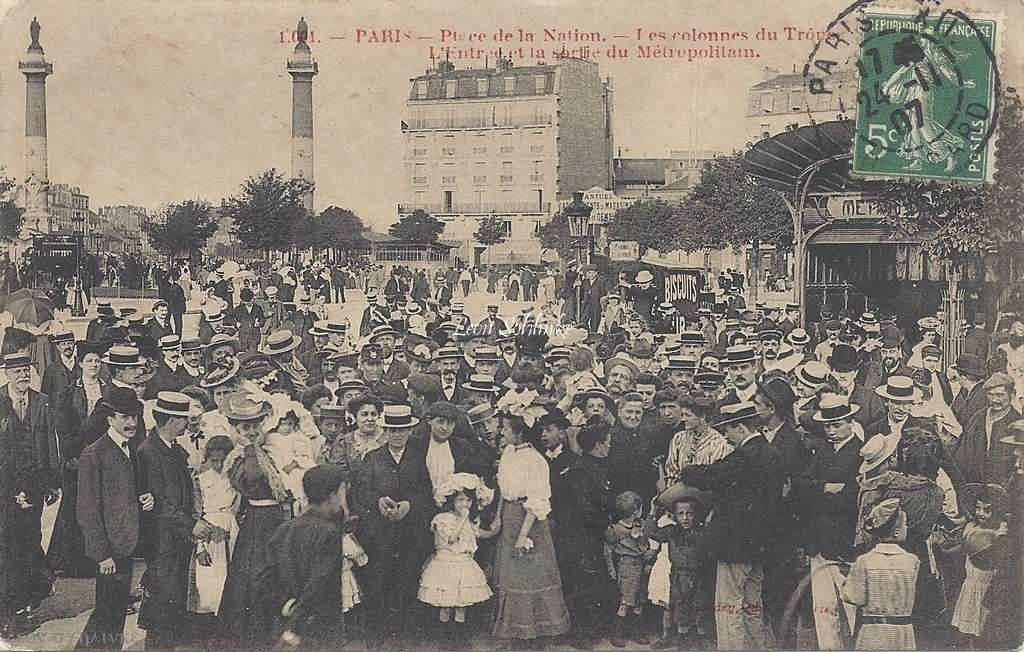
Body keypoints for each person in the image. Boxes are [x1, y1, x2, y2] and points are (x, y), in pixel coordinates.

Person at [679, 401, 782, 650]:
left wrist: (687, 469)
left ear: (741, 428)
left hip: (735, 546)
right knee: (753, 605)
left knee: (728, 608)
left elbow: (704, 476)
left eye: (728, 429)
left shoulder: (742, 457)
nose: (726, 436)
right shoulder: (772, 453)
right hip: (761, 544)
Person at [136, 392, 223, 649]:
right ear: (173, 420)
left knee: (173, 600)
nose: (188, 423)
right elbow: (161, 502)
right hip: (163, 540)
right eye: (184, 419)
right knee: (162, 604)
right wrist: (191, 525)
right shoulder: (149, 451)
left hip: (177, 538)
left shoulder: (172, 447)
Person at [75, 388, 155, 649]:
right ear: (110, 420)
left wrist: (147, 498)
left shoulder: (133, 449)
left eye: (135, 416)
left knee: (113, 611)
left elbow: (133, 491)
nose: (131, 423)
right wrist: (101, 553)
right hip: (109, 550)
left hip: (127, 544)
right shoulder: (94, 453)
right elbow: (87, 510)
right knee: (108, 612)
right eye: (124, 417)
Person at [492, 389, 571, 644]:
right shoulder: (508, 453)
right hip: (510, 518)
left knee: (531, 577)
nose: (501, 432)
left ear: (519, 431)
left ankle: (534, 635)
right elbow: (504, 491)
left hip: (530, 524)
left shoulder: (535, 460)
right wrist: (497, 519)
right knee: (511, 577)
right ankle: (514, 633)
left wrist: (522, 536)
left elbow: (537, 501)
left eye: (505, 428)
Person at [355, 404, 433, 648]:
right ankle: (377, 635)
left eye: (402, 430)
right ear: (385, 432)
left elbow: (426, 493)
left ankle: (406, 635)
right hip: (380, 532)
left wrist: (409, 504)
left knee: (407, 579)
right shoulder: (373, 458)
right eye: (392, 430)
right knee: (379, 579)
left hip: (410, 532)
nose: (397, 435)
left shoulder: (418, 457)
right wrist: (378, 501)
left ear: (410, 431)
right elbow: (361, 492)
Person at [218, 393, 289, 648]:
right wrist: (249, 448)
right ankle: (254, 631)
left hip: (277, 517)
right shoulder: (238, 458)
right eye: (245, 427)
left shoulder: (270, 449)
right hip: (258, 521)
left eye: (255, 426)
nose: (251, 431)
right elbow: (250, 481)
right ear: (235, 429)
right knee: (257, 571)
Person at [269, 464, 348, 649]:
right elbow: (318, 583)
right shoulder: (329, 532)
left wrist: (288, 605)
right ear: (332, 495)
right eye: (343, 492)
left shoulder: (285, 528)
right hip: (319, 628)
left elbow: (263, 578)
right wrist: (295, 629)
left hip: (286, 619)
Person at [418, 473, 498, 649]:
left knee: (461, 604)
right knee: (446, 603)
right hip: (446, 565)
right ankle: (446, 638)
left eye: (468, 501)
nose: (465, 505)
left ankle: (459, 637)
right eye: (460, 500)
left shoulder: (469, 522)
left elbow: (481, 534)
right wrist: (462, 519)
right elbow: (451, 539)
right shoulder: (443, 519)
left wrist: (496, 527)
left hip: (464, 564)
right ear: (451, 501)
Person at [840, 497, 920, 650]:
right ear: (896, 532)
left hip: (873, 632)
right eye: (906, 525)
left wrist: (847, 580)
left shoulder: (864, 561)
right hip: (902, 633)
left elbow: (854, 597)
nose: (907, 528)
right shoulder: (912, 562)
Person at [645, 484, 713, 649]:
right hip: (678, 576)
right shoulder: (670, 531)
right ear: (674, 515)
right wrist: (653, 512)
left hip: (699, 576)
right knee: (681, 607)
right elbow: (651, 533)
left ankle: (702, 640)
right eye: (680, 514)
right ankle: (682, 640)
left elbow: (711, 543)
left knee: (701, 606)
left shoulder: (702, 531)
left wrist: (710, 521)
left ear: (696, 514)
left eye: (689, 513)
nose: (685, 518)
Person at [950, 482, 1006, 642]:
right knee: (968, 630)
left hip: (989, 588)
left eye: (987, 510)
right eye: (978, 508)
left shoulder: (999, 532)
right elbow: (962, 550)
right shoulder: (970, 528)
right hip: (971, 585)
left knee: (984, 630)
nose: (981, 513)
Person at [192, 435, 239, 618]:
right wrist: (199, 547)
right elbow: (196, 513)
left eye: (223, 460)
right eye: (214, 461)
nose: (219, 465)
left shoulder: (234, 478)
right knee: (210, 579)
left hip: (231, 528)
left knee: (230, 575)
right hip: (209, 531)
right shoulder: (201, 480)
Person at [605, 490, 654, 648]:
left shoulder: (641, 525)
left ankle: (637, 631)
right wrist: (612, 570)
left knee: (640, 600)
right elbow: (607, 551)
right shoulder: (615, 530)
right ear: (635, 511)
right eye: (640, 509)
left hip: (641, 566)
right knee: (625, 601)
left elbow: (648, 537)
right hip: (626, 567)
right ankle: (618, 633)